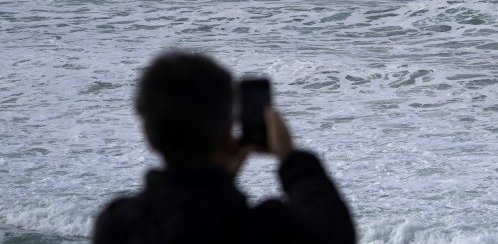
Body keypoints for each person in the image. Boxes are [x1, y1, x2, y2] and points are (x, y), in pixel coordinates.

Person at [93, 52, 356, 244]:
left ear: (148, 136)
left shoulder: (117, 226)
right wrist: (291, 159)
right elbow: (334, 233)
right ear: (230, 134)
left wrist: (218, 180)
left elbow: (186, 217)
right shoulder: (266, 229)